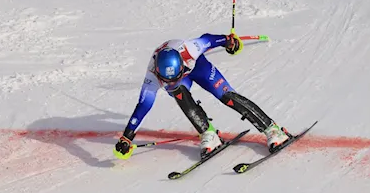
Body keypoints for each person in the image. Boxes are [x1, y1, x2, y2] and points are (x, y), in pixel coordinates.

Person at [113, 33, 291, 160]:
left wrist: (228, 41)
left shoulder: (189, 50)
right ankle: (208, 133)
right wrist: (127, 137)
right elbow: (143, 106)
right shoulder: (152, 75)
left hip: (199, 68)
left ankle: (273, 129)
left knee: (227, 96)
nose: (172, 81)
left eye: (175, 77)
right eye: (167, 79)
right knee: (179, 93)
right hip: (180, 76)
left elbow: (209, 39)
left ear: (181, 65)